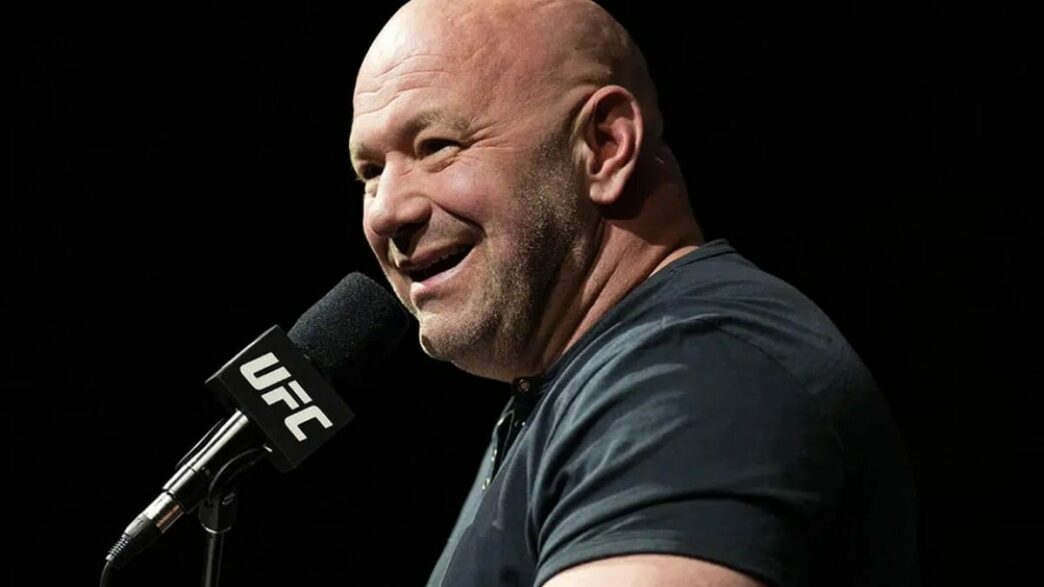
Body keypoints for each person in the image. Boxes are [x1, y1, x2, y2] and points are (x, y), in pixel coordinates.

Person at [348, 0, 919, 585]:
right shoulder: (585, 384)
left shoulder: (697, 377)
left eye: (437, 146)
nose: (387, 211)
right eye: (370, 173)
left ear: (605, 146)